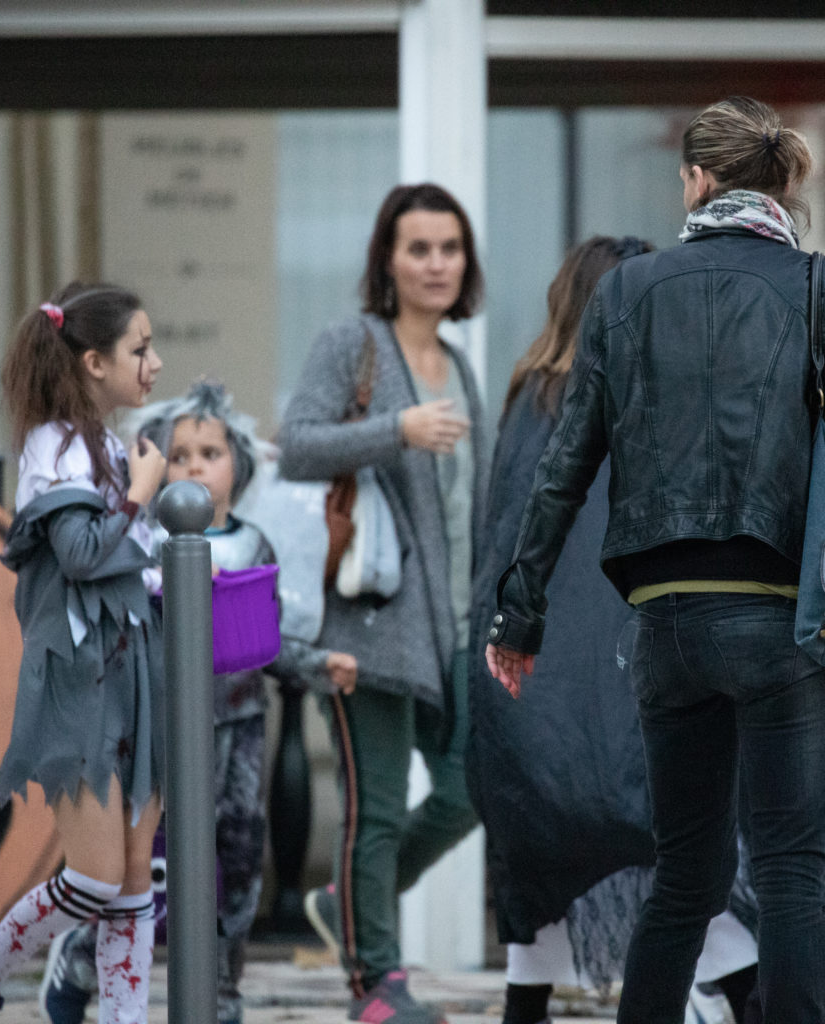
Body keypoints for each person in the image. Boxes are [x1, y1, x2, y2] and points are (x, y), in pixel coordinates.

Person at [486, 96, 825, 1024]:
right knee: (791, 873)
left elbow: (565, 465)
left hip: (666, 618)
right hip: (784, 613)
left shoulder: (624, 291)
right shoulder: (818, 283)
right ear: (779, 186)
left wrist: (521, 610)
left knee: (685, 876)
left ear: (697, 180)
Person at [469, 235, 768, 1024]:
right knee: (696, 871)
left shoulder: (532, 398)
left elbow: (505, 541)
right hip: (623, 674)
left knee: (542, 908)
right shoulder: (651, 402)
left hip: (535, 689)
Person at [39, 380, 358, 1024]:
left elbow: (267, 638)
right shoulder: (142, 544)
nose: (193, 468)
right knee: (143, 864)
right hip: (155, 730)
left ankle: (222, 989)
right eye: (178, 456)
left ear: (239, 462)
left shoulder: (255, 546)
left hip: (238, 727)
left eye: (210, 454)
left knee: (236, 857)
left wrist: (317, 663)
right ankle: (79, 959)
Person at [0, 283, 167, 1024]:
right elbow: (84, 554)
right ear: (94, 362)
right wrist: (141, 493)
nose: (155, 363)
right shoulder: (53, 448)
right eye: (140, 349)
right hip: (79, 679)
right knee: (96, 880)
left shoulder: (106, 446)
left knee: (134, 881)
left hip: (132, 672)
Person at [281, 182, 490, 1024]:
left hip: (454, 626)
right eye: (419, 249)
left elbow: (473, 507)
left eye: (450, 248)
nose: (437, 264)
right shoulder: (354, 343)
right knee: (375, 807)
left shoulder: (460, 364)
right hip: (367, 622)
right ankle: (376, 982)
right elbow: (296, 446)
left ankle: (349, 907)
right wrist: (395, 431)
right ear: (389, 261)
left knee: (473, 787)